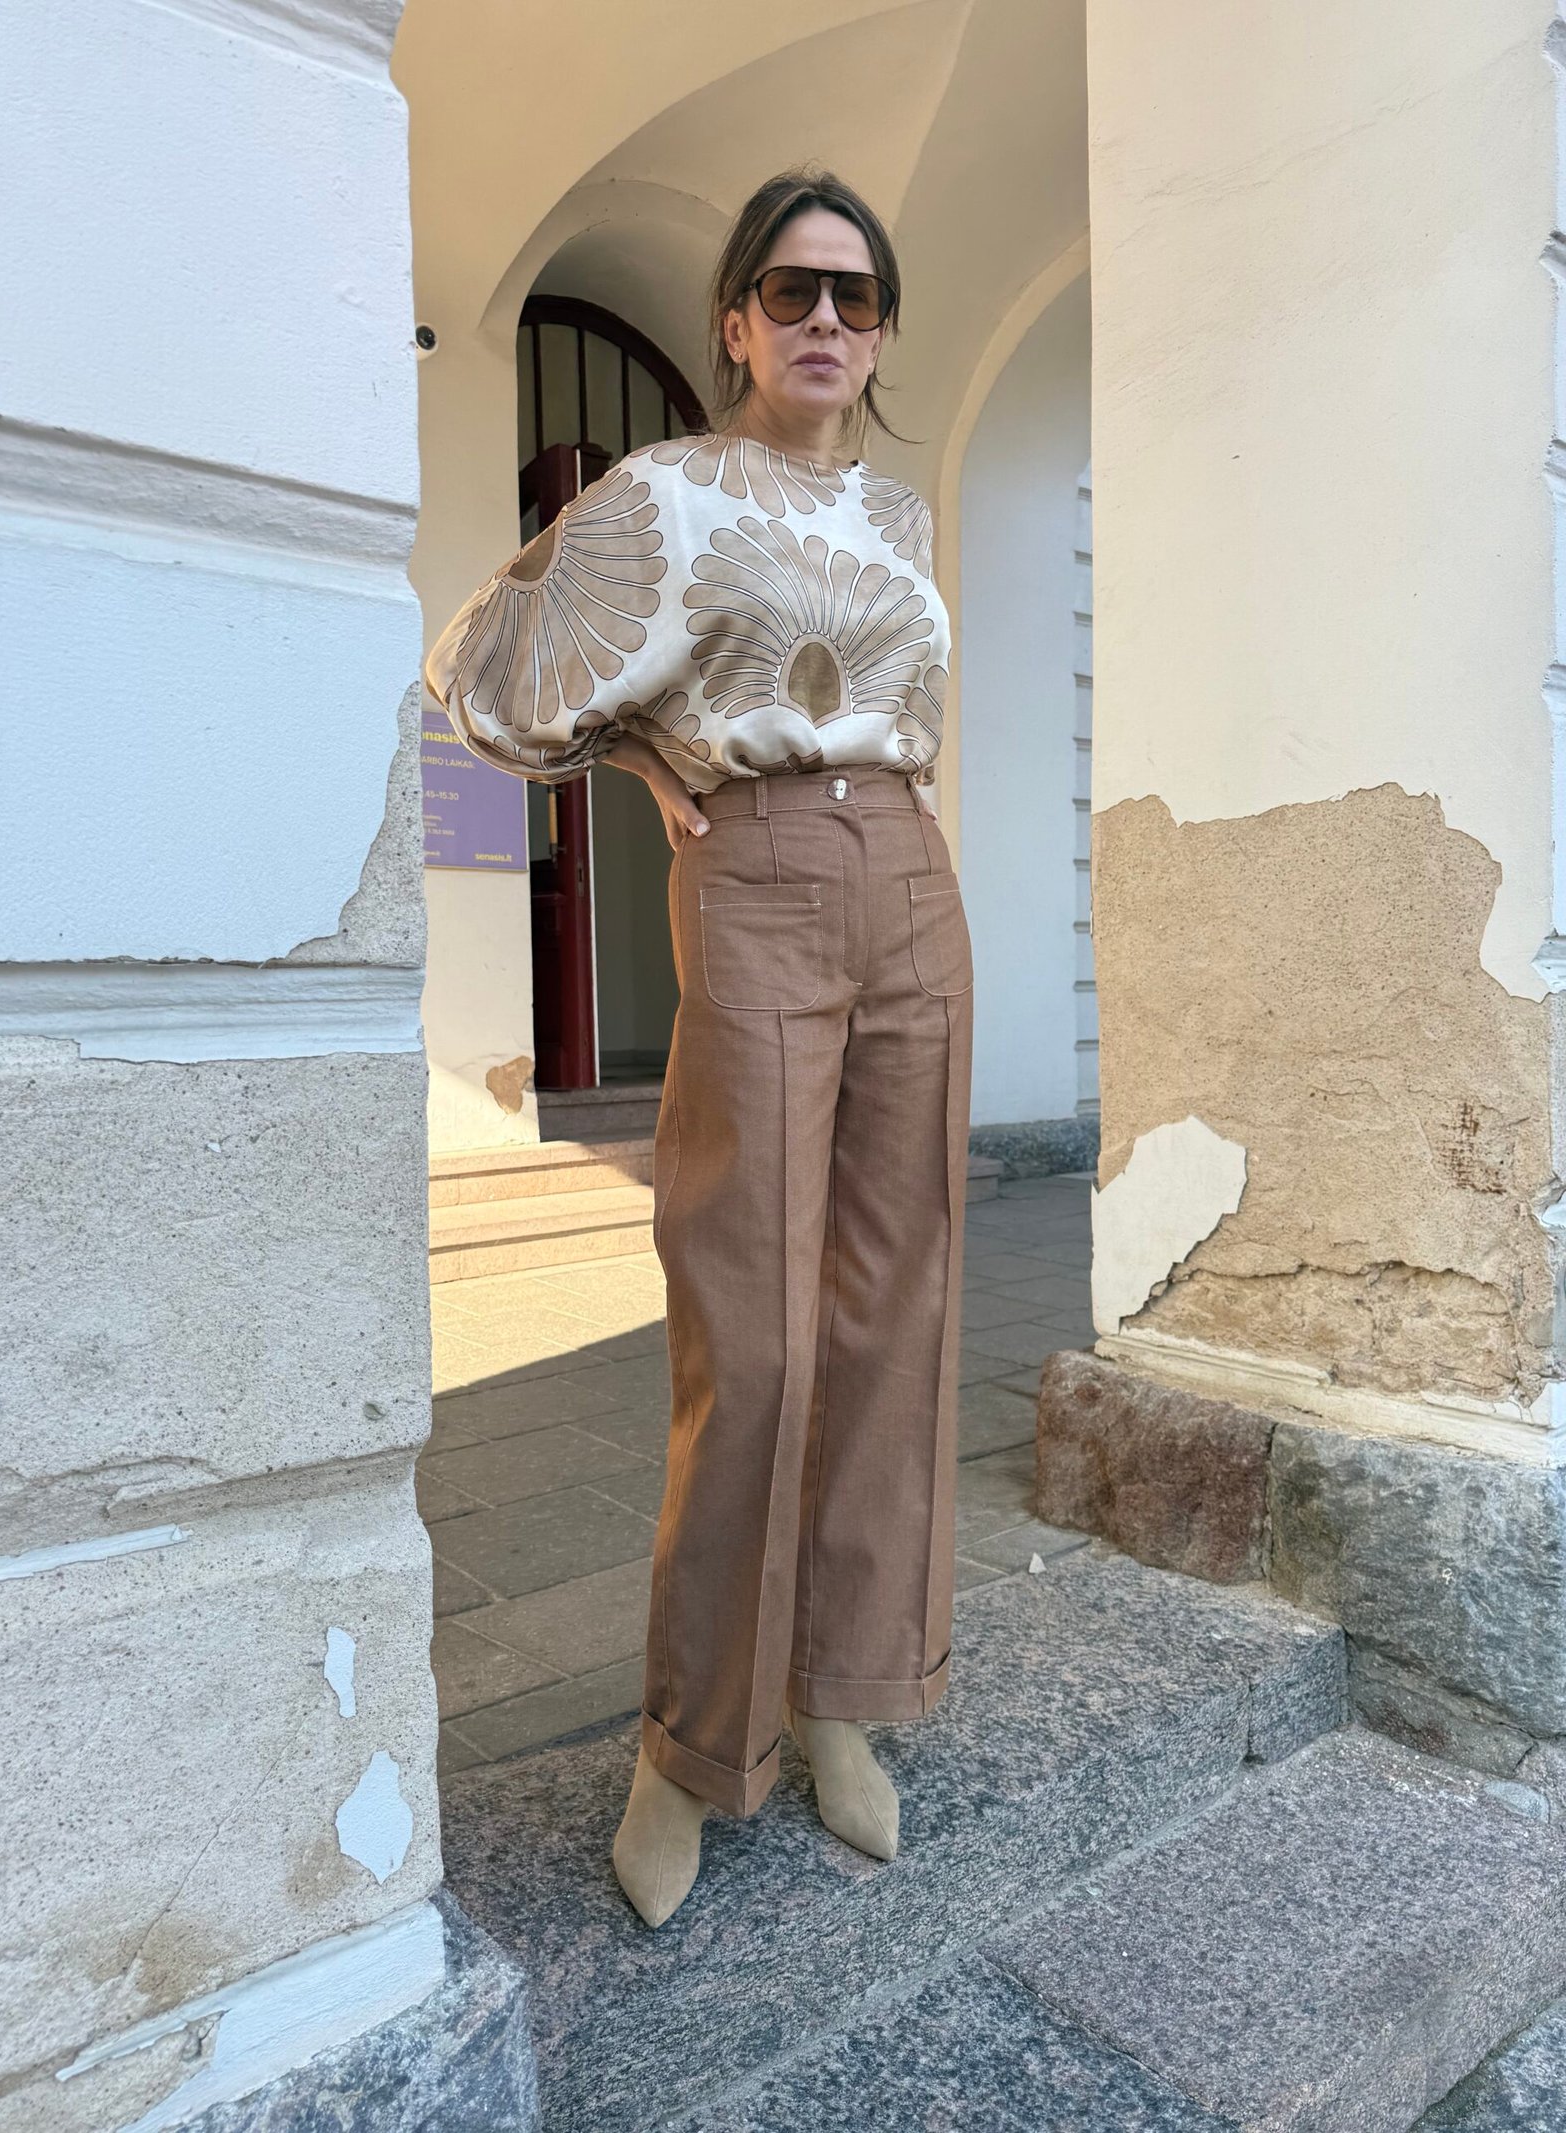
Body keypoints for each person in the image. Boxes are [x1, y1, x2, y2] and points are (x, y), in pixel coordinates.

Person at [424, 165, 972, 1929]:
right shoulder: (664, 494)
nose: (825, 321)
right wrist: (638, 749)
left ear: (878, 333)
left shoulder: (900, 512)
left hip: (912, 874)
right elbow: (482, 663)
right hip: (760, 875)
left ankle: (842, 1696)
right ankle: (688, 1743)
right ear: (735, 321)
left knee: (895, 1313)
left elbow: (903, 703)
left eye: (855, 298)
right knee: (755, 1320)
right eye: (792, 291)